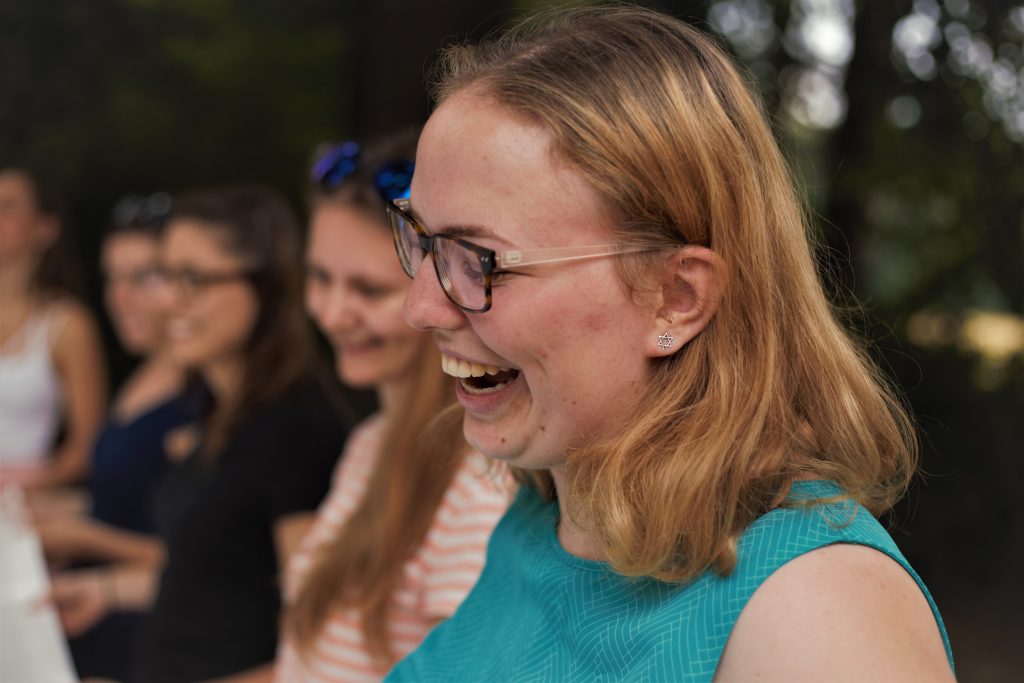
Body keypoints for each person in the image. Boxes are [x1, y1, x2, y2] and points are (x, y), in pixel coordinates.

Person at [384, 7, 956, 682]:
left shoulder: (818, 614)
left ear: (676, 298)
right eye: (421, 241)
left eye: (477, 257)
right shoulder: (549, 516)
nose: (418, 306)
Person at [50, 187, 349, 683]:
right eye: (165, 276)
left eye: (194, 278)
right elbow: (215, 577)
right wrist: (102, 591)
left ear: (266, 287)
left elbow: (316, 653)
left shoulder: (296, 428)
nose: (168, 300)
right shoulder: (218, 410)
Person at [272, 134, 511, 683]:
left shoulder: (479, 483)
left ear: (438, 294)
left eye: (368, 290)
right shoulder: (367, 443)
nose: (332, 314)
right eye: (320, 277)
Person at [33, 193, 191, 681]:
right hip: (86, 611)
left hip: (142, 639)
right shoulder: (145, 374)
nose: (120, 297)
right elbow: (128, 502)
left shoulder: (201, 398)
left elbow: (195, 555)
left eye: (143, 277)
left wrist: (83, 535)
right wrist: (58, 510)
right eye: (112, 278)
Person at [0, 167, 107, 489]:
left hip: (19, 513)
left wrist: (20, 483)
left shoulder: (66, 324)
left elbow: (88, 447)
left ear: (45, 228)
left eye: (8, 206)